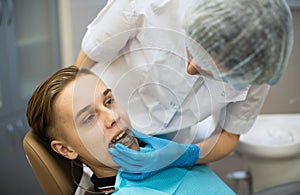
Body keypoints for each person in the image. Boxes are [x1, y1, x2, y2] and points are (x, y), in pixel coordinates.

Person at [75, 0, 293, 180]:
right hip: (98, 127)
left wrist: (184, 155)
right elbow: (88, 57)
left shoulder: (257, 65)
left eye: (212, 72)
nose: (190, 69)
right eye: (192, 51)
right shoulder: (153, 5)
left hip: (175, 140)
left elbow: (229, 136)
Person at [26, 66, 241, 195]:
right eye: (89, 118)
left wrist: (187, 154)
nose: (112, 116)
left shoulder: (158, 149)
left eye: (109, 101)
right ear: (65, 149)